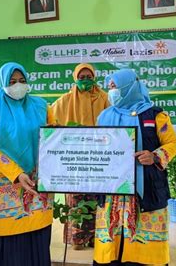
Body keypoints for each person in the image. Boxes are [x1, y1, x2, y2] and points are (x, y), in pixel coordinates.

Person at [93, 69, 176, 265]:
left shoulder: (155, 115)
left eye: (115, 87)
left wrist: (155, 156)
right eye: (109, 88)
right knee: (111, 248)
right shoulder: (104, 116)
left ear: (129, 86)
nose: (111, 92)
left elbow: (173, 144)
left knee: (144, 250)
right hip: (112, 190)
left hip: (146, 190)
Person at [0, 62, 55, 266]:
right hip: (6, 184)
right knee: (7, 239)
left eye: (22, 81)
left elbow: (53, 136)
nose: (18, 85)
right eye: (12, 81)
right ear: (3, 83)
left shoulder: (41, 106)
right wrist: (17, 174)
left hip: (37, 180)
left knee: (37, 238)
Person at [51, 63, 109, 250]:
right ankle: (77, 239)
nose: (85, 80)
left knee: (97, 197)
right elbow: (51, 124)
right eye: (81, 77)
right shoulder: (64, 101)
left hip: (99, 157)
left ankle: (95, 238)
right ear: (75, 78)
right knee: (76, 199)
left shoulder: (105, 98)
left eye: (88, 76)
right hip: (74, 158)